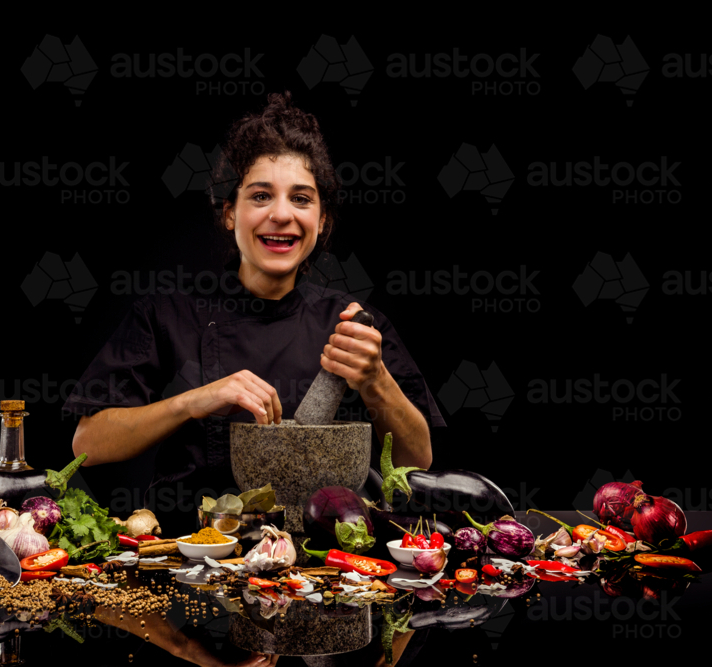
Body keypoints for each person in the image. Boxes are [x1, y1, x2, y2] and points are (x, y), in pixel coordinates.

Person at [64, 92, 444, 539]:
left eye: (301, 199)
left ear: (322, 221)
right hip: (194, 555)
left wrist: (376, 379)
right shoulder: (166, 314)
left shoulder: (356, 326)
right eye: (261, 195)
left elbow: (418, 459)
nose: (281, 214)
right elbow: (87, 444)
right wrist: (193, 401)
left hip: (326, 564)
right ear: (230, 213)